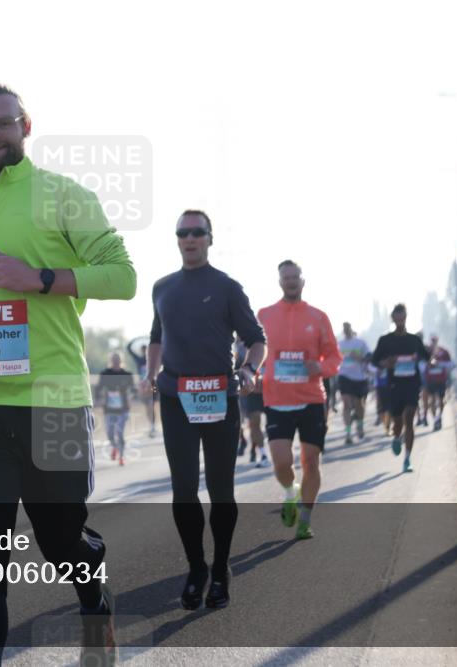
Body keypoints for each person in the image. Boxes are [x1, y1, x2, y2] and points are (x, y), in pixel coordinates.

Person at [0, 84, 135, 667]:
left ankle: (94, 594)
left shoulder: (64, 196)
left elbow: (121, 276)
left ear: (25, 126)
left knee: (61, 540)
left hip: (56, 399)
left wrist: (39, 279)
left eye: (4, 123)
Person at [145, 209, 266, 610]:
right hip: (175, 396)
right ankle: (196, 567)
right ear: (177, 239)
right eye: (183, 232)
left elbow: (255, 338)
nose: (190, 238)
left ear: (209, 238)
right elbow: (157, 337)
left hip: (219, 396)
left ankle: (221, 567)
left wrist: (249, 368)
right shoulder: (162, 287)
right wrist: (150, 373)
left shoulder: (228, 287)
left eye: (197, 232)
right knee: (182, 491)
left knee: (220, 490)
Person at [258, 260, 342, 540]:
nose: (291, 281)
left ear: (303, 281)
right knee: (282, 463)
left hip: (311, 399)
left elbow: (333, 356)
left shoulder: (318, 317)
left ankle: (305, 520)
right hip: (276, 399)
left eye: (295, 276)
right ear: (279, 281)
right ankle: (289, 491)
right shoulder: (265, 315)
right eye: (286, 277)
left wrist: (322, 367)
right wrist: (253, 374)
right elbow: (253, 350)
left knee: (311, 461)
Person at [371, 304, 427, 473]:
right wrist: (385, 363)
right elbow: (374, 360)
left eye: (403, 317)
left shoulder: (414, 340)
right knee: (398, 423)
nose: (401, 320)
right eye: (398, 317)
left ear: (406, 317)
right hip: (394, 385)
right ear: (393, 319)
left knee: (409, 419)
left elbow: (426, 356)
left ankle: (407, 459)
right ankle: (396, 437)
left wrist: (422, 359)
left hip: (412, 383)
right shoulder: (385, 340)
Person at [96, 352, 135, 465]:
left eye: (117, 360)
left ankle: (121, 456)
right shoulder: (105, 373)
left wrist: (130, 397)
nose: (116, 362)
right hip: (109, 408)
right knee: (109, 433)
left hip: (123, 408)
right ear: (111, 361)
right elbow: (98, 388)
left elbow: (133, 390)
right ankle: (115, 447)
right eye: (114, 360)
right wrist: (99, 399)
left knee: (120, 432)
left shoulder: (127, 374)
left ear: (121, 361)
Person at [236, 339, 269, 467]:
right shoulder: (240, 349)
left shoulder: (270, 337)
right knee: (254, 423)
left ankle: (271, 449)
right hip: (252, 392)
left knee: (271, 425)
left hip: (272, 389)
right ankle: (262, 453)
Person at [337, 322, 371, 444]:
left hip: (359, 378)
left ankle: (360, 425)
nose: (346, 331)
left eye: (348, 328)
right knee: (346, 403)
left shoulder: (360, 342)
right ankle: (348, 433)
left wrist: (360, 358)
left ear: (351, 329)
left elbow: (369, 356)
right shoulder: (339, 345)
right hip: (344, 376)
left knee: (359, 404)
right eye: (344, 329)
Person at [127, 337, 158, 437]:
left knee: (151, 405)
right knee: (147, 406)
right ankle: (151, 424)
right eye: (143, 350)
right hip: (143, 387)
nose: (145, 352)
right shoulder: (139, 361)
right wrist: (137, 338)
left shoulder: (152, 360)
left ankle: (153, 425)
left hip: (153, 385)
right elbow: (129, 348)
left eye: (146, 350)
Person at [422, 334, 454, 431]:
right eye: (432, 340)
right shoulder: (427, 351)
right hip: (430, 380)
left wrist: (439, 364)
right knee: (431, 401)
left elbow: (450, 364)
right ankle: (435, 419)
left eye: (435, 340)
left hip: (441, 379)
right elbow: (422, 364)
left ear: (437, 340)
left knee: (441, 400)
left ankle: (439, 416)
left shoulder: (444, 352)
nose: (433, 342)